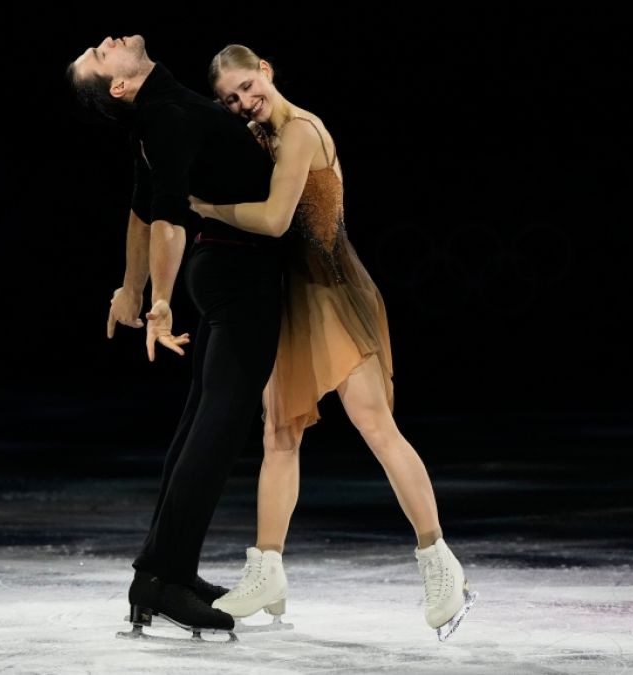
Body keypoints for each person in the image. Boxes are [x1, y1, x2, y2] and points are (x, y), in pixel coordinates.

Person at [189, 44, 477, 641]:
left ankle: (440, 562)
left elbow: (275, 220)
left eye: (247, 86)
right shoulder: (261, 137)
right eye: (230, 99)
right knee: (278, 435)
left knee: (375, 426)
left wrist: (207, 208)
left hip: (333, 293)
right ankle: (268, 569)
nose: (244, 101)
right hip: (291, 300)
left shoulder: (300, 131)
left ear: (266, 70)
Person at [66, 35, 283, 639]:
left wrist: (131, 289)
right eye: (99, 54)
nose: (106, 41)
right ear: (118, 85)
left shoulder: (162, 112)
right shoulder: (162, 114)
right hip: (239, 275)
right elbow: (163, 217)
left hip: (227, 271)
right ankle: (163, 578)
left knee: (198, 424)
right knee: (215, 432)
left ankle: (163, 574)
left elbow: (140, 210)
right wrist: (158, 301)